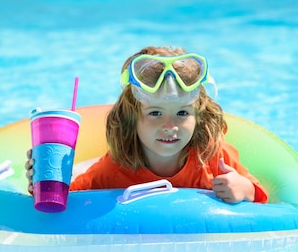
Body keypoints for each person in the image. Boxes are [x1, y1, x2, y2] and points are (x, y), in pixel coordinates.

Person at [26, 46, 268, 204]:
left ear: (199, 117)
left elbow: (259, 193)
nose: (169, 125)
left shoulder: (214, 156)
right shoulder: (114, 169)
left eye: (182, 113)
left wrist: (245, 189)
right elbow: (69, 198)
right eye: (155, 113)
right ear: (131, 119)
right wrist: (39, 180)